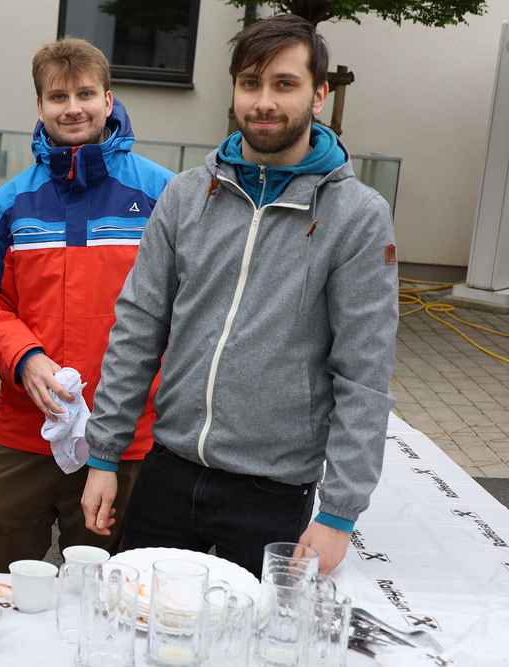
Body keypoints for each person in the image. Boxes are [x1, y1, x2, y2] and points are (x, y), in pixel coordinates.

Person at [80, 14, 399, 577]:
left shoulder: (357, 216)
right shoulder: (186, 195)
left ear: (319, 94)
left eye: (284, 83)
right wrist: (104, 454)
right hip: (168, 470)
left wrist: (340, 512)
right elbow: (137, 327)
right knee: (139, 620)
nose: (264, 101)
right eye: (250, 83)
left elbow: (363, 372)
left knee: (255, 630)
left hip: (273, 493)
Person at [0, 37, 174, 572]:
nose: (72, 108)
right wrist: (25, 359)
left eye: (85, 94)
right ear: (40, 106)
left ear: (108, 99)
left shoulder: (164, 195)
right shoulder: (11, 203)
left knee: (114, 589)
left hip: (128, 438)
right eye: (58, 97)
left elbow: (192, 306)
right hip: (25, 429)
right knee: (2, 581)